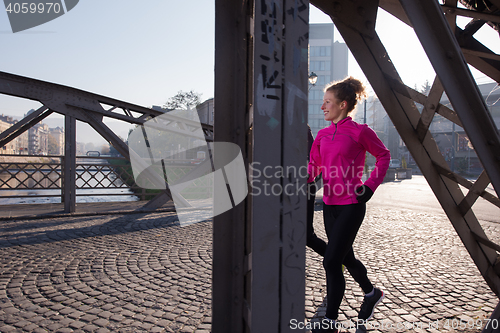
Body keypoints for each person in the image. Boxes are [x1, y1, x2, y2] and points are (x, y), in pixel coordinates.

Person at [308, 77, 390, 333]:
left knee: (331, 262)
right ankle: (371, 293)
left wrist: (370, 185)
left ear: (342, 105)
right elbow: (314, 167)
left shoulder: (360, 131)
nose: (323, 107)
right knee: (346, 257)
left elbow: (383, 155)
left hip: (352, 204)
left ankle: (330, 321)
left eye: (327, 102)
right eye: (323, 102)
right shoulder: (321, 135)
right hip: (330, 204)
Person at [307, 124, 327, 256]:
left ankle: (336, 260)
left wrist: (307, 175)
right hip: (279, 188)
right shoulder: (273, 122)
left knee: (307, 236)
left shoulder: (302, 127)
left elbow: (315, 158)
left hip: (304, 187)